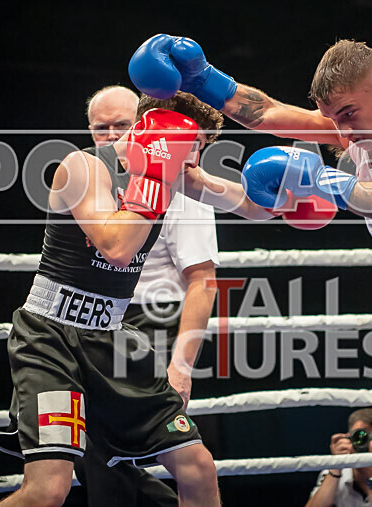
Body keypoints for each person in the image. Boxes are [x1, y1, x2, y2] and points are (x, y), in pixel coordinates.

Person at [130, 35, 372, 507]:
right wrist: (201, 83)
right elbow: (264, 114)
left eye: (347, 114)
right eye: (331, 118)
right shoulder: (349, 128)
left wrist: (321, 177)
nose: (339, 130)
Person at [0, 91, 278, 507]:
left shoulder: (178, 173)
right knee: (48, 490)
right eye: (189, 148)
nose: (194, 162)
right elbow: (116, 245)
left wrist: (294, 195)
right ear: (160, 136)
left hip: (110, 339)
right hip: (50, 342)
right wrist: (157, 175)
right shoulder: (83, 167)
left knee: (198, 468)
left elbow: (252, 207)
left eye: (197, 150)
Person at [77, 85, 221, 507]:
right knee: (102, 466)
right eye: (100, 129)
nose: (111, 136)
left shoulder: (178, 180)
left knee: (192, 466)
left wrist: (181, 366)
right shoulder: (91, 181)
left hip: (148, 328)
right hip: (89, 330)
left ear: (144, 125)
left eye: (122, 125)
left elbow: (203, 280)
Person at [308, 408, 372, 507]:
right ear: (348, 438)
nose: (367, 444)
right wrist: (336, 466)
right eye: (360, 438)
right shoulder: (333, 471)